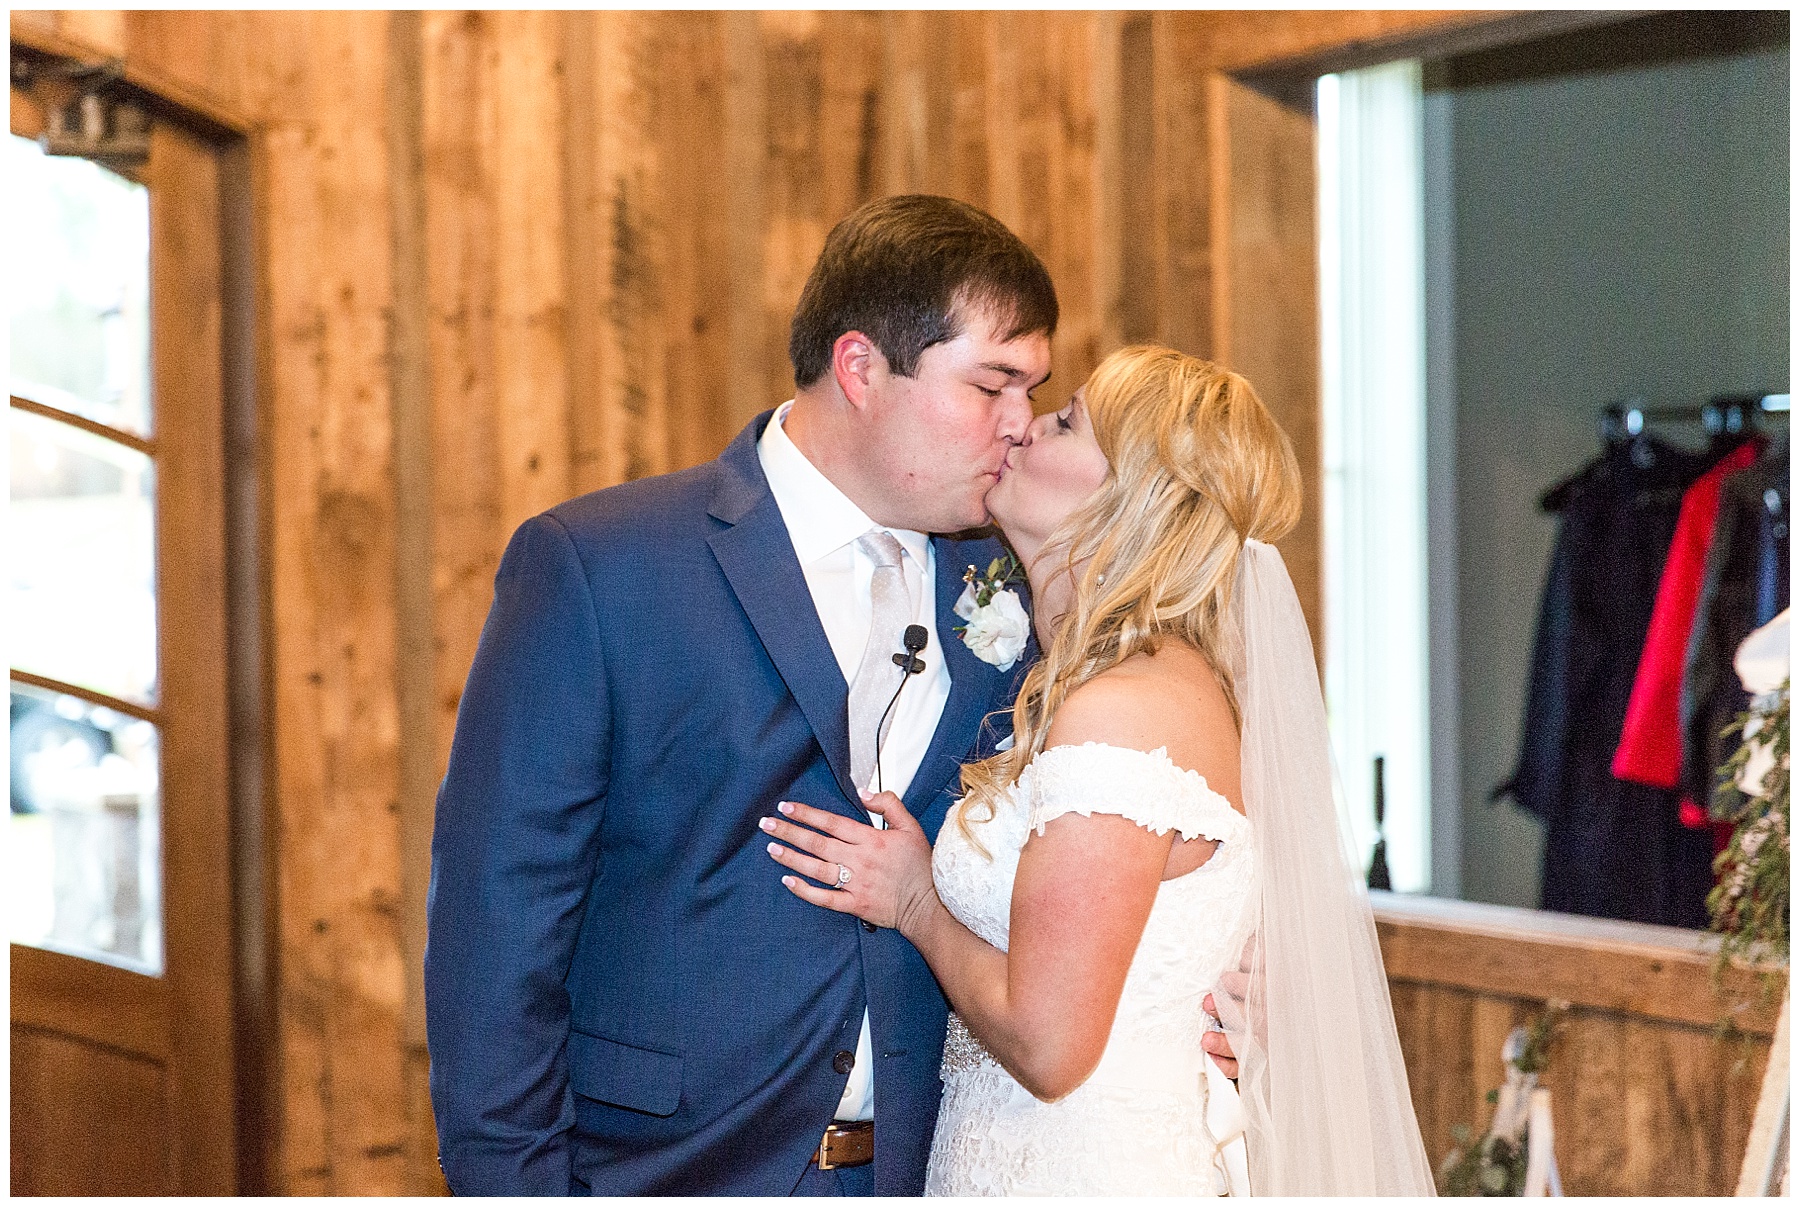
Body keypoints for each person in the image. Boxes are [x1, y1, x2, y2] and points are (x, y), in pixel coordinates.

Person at [425, 194, 1237, 1195]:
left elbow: (1142, 830)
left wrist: (1226, 985)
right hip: (662, 1171)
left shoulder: (1030, 589)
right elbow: (498, 929)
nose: (1020, 426)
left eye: (1036, 391)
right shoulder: (605, 567)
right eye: (993, 384)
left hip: (923, 1170)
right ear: (860, 369)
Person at [764, 345, 1437, 1195]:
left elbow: (1049, 1046)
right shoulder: (1110, 677)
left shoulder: (1125, 708)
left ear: (1131, 496)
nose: (1026, 424)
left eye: (1067, 419)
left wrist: (915, 902)